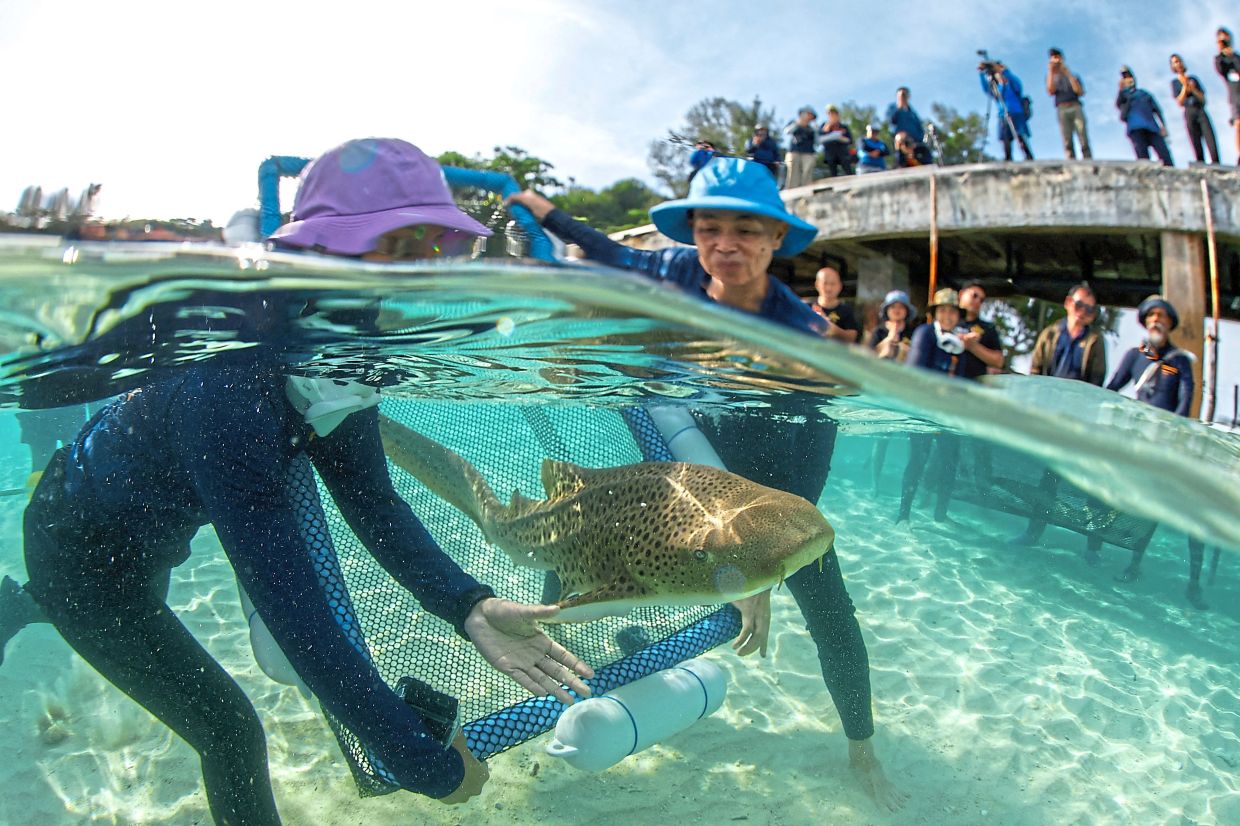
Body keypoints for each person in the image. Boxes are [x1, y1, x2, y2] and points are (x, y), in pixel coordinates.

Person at [2, 138, 595, 825]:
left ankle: (18, 608)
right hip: (79, 559)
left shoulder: (336, 359)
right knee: (229, 734)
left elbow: (373, 501)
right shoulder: (230, 381)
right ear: (320, 252)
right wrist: (417, 759)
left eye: (436, 250)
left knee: (128, 612)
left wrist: (465, 605)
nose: (420, 282)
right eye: (399, 249)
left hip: (137, 535)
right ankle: (33, 602)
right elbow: (292, 607)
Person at [506, 157, 907, 811]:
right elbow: (604, 253)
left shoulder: (804, 340)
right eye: (710, 228)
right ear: (691, 232)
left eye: (747, 231)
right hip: (687, 473)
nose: (726, 246)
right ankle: (556, 641)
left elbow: (811, 473)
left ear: (778, 239)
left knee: (834, 621)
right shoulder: (669, 295)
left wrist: (758, 565)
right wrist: (547, 215)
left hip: (776, 505)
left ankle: (863, 752)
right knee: (583, 526)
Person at [1104, 295, 1207, 609]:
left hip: (1170, 448)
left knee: (1195, 515)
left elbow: (1185, 402)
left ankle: (1194, 583)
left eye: (1162, 317)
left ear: (1170, 324)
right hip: (1139, 445)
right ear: (1145, 322)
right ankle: (1133, 565)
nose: (1156, 321)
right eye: (1151, 317)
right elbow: (1112, 389)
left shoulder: (1180, 361)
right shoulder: (1134, 356)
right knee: (1146, 512)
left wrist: (1173, 437)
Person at [1013, 283, 1108, 548]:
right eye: (1079, 305)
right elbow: (1036, 373)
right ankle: (1033, 534)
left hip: (1080, 424)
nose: (1083, 312)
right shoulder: (1050, 334)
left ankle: (1093, 546)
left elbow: (1096, 384)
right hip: (1051, 419)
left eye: (1089, 310)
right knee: (1048, 481)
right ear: (1068, 303)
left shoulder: (1095, 341)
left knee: (1090, 484)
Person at [897, 288, 967, 524]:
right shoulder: (925, 333)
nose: (948, 315)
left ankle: (941, 513)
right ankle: (903, 513)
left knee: (949, 463)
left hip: (951, 413)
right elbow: (915, 370)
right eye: (943, 310)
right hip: (923, 410)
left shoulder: (963, 341)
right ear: (936, 313)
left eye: (952, 311)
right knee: (918, 460)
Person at [867, 290, 917, 493]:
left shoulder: (915, 334)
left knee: (913, 439)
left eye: (900, 307)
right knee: (881, 440)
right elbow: (868, 360)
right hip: (882, 390)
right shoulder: (878, 332)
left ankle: (908, 485)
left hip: (905, 391)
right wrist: (888, 341)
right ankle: (875, 482)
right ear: (887, 310)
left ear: (906, 311)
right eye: (893, 307)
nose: (897, 310)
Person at [1117, 65, 1174, 166]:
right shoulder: (1123, 96)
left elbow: (1157, 110)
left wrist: (1163, 126)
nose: (1128, 79)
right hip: (1135, 129)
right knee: (1143, 159)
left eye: (1129, 76)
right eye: (1124, 77)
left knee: (1165, 156)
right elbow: (1119, 106)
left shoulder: (1144, 94)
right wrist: (1121, 90)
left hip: (1152, 128)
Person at [1171, 54, 1221, 164]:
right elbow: (1179, 101)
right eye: (1175, 62)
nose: (1178, 64)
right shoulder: (1175, 83)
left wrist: (1193, 89)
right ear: (1173, 66)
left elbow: (1203, 99)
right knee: (1195, 139)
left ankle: (1216, 162)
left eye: (1179, 61)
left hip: (1200, 109)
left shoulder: (1193, 79)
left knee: (1210, 137)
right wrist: (1184, 87)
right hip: (1189, 111)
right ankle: (1200, 162)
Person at [980, 60, 1034, 161]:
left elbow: (1013, 80)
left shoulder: (1013, 85)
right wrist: (981, 74)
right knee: (1005, 139)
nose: (998, 75)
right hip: (1003, 116)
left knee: (1020, 136)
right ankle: (1008, 159)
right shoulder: (997, 89)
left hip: (1016, 113)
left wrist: (1003, 70)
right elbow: (986, 89)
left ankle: (1028, 157)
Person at [1046, 48, 1091, 159]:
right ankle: (1071, 161)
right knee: (1067, 139)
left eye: (1058, 57)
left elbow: (1079, 91)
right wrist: (1051, 71)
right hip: (1062, 108)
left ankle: (1088, 160)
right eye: (1053, 57)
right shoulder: (1050, 77)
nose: (1056, 60)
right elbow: (1050, 91)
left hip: (1075, 106)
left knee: (1083, 137)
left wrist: (1068, 73)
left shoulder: (1073, 75)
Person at [955, 282, 1005, 379]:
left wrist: (972, 346)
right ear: (961, 294)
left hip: (973, 384)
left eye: (981, 300)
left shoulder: (988, 328)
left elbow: (999, 361)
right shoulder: (947, 320)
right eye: (974, 296)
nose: (977, 301)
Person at [811, 265, 860, 343]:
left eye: (833, 284)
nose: (829, 288)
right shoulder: (807, 308)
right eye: (825, 283)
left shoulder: (846, 310)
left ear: (840, 286)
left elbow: (851, 338)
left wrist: (829, 326)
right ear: (817, 285)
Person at [1215, 27, 1240, 164]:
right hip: (1235, 97)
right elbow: (1220, 70)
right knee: (1238, 124)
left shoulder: (1236, 57)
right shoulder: (1220, 59)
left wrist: (1232, 55)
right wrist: (1221, 53)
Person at [784, 106, 819, 189]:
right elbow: (786, 131)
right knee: (793, 173)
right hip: (794, 151)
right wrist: (797, 124)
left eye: (811, 116)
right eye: (808, 114)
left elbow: (817, 142)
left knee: (807, 173)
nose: (809, 117)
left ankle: (805, 193)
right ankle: (790, 193)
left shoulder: (812, 129)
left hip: (809, 153)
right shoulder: (793, 123)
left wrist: (816, 131)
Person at [819, 105, 855, 177]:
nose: (831, 115)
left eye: (833, 113)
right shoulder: (824, 125)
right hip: (830, 154)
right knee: (833, 174)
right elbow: (820, 137)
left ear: (837, 114)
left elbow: (850, 140)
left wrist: (840, 138)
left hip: (843, 153)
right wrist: (828, 125)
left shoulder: (844, 126)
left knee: (848, 172)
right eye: (829, 113)